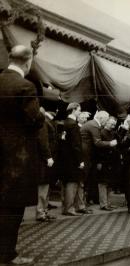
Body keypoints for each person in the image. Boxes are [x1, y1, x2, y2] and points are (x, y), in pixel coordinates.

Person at [0, 45, 45, 265]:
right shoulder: (25, 87)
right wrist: (42, 115)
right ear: (27, 63)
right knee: (12, 207)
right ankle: (7, 254)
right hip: (16, 158)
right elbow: (34, 121)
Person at [80, 111, 113, 205]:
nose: (106, 122)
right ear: (101, 118)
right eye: (106, 120)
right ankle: (81, 204)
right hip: (86, 155)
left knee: (86, 180)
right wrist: (110, 143)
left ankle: (82, 203)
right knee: (84, 180)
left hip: (87, 155)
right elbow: (97, 142)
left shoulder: (92, 124)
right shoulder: (94, 125)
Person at [61, 102, 85, 216]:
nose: (80, 112)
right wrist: (80, 160)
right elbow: (76, 145)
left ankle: (65, 207)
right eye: (79, 110)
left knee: (65, 183)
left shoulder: (64, 123)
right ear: (74, 109)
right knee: (72, 183)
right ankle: (69, 208)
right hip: (73, 159)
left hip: (65, 159)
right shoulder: (73, 125)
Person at [35, 111, 56, 221]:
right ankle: (41, 212)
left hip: (44, 159)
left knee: (45, 187)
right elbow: (43, 141)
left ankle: (43, 211)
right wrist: (48, 157)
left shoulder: (45, 122)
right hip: (45, 160)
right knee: (43, 187)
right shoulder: (44, 122)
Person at [97, 116, 121, 210]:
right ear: (106, 123)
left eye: (114, 124)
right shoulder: (101, 132)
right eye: (111, 123)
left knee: (109, 183)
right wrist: (99, 161)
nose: (113, 125)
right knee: (103, 183)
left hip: (111, 161)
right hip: (103, 161)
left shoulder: (113, 132)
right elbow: (98, 148)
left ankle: (108, 203)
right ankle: (103, 204)